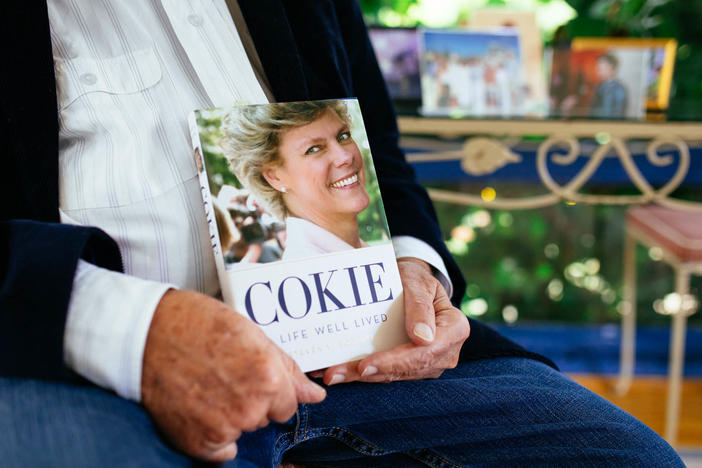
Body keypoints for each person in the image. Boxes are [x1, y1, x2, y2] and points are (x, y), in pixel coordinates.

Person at [0, 1, 683, 467]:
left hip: (359, 354)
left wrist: (416, 269)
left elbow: (379, 145)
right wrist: (130, 328)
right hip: (78, 362)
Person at [221, 100, 371, 261]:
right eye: (314, 149)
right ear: (274, 177)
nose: (345, 157)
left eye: (343, 136)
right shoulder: (312, 267)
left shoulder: (352, 251)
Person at [591, 53, 629, 118]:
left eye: (601, 65)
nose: (598, 68)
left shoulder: (619, 89)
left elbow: (618, 114)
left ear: (611, 67)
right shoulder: (599, 87)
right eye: (598, 66)